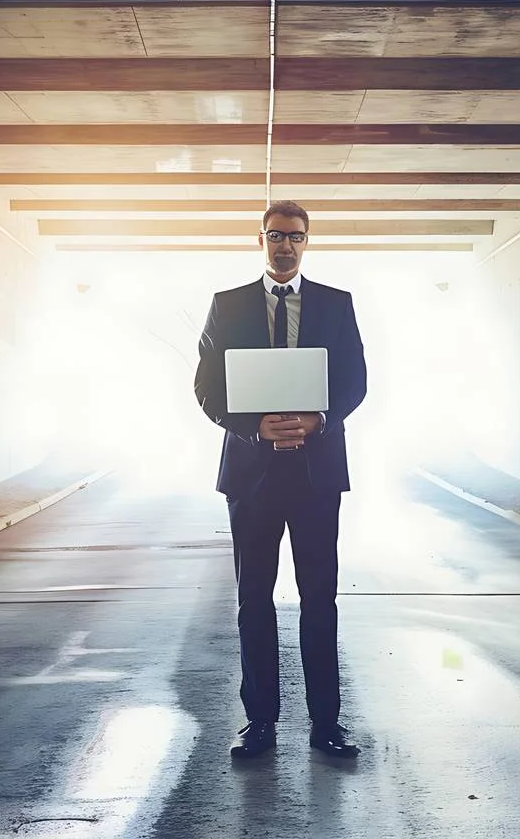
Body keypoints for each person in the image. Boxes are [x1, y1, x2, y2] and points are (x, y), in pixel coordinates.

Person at [192, 200, 368, 759]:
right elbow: (205, 386)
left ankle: (326, 725)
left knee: (320, 599)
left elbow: (355, 381)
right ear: (261, 240)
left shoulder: (337, 305)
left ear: (307, 241)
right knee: (254, 601)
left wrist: (317, 421)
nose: (284, 245)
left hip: (316, 472)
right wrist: (253, 426)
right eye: (275, 235)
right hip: (252, 474)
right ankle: (260, 723)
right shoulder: (228, 305)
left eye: (294, 236)